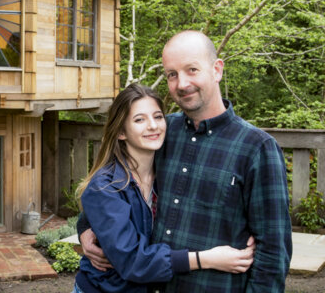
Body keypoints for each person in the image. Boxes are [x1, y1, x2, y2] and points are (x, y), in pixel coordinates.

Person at [78, 30, 292, 292]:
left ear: (217, 70)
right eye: (172, 74)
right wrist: (86, 228)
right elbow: (115, 189)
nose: (181, 83)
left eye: (192, 69)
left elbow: (272, 255)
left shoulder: (257, 148)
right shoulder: (164, 132)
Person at [74, 83, 254, 293]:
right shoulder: (106, 186)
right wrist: (207, 259)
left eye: (158, 117)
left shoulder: (167, 173)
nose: (153, 126)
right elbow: (133, 262)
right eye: (139, 119)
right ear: (121, 132)